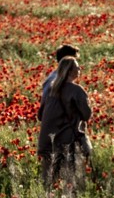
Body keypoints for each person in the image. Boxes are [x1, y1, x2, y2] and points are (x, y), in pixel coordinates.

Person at [37, 56, 92, 188]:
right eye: (77, 67)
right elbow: (87, 115)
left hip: (46, 142)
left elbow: (40, 115)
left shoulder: (50, 89)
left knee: (48, 180)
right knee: (69, 180)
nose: (80, 69)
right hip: (65, 141)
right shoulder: (76, 90)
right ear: (70, 71)